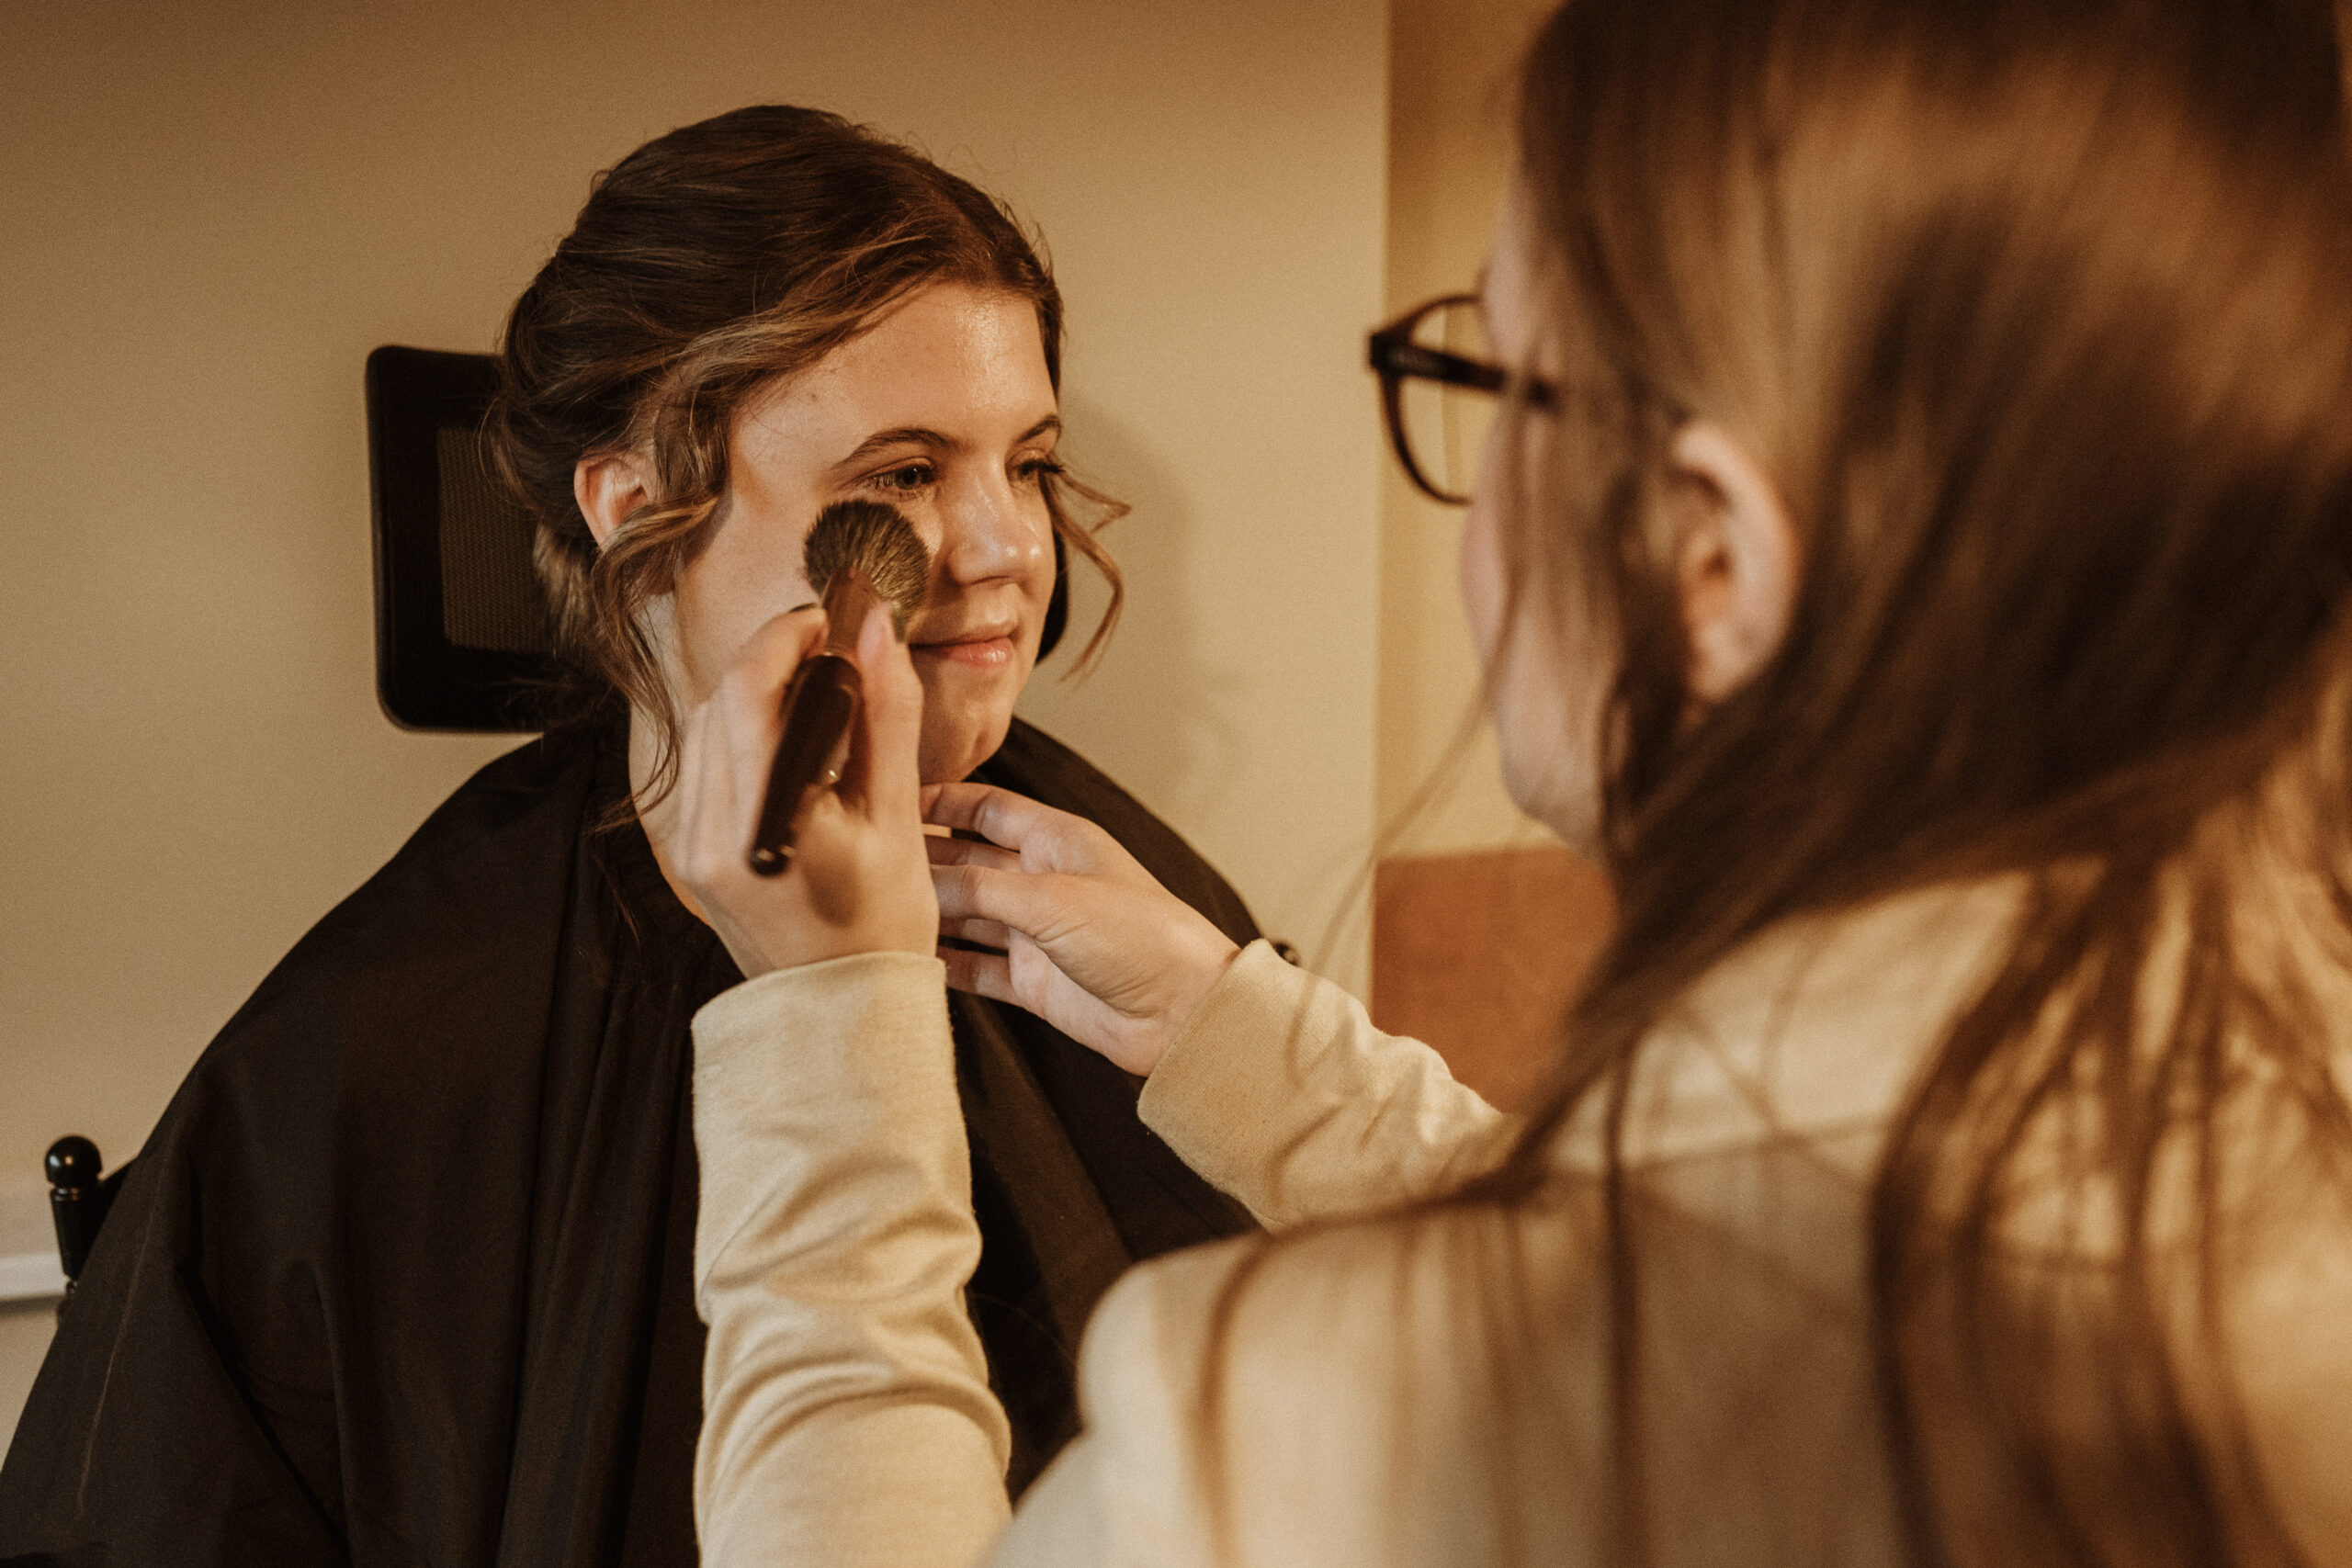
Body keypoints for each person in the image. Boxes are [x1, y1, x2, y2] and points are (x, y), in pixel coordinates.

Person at [663, 2, 2352, 1564]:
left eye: (1499, 385)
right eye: (905, 471)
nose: (998, 551)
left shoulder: (1313, 1446)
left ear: (1708, 561)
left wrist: (826, 1049)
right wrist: (1243, 1043)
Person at [0, 107, 1259, 1568]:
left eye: (1028, 463)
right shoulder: (383, 1045)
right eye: (903, 475)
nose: (1008, 550)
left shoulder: (1134, 901)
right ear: (638, 506)